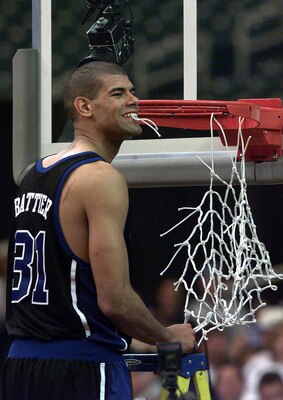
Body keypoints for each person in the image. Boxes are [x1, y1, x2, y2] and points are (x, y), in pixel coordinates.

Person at [2, 61, 196, 400]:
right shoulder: (99, 177)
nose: (133, 100)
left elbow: (65, 293)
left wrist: (133, 339)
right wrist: (166, 336)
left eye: (133, 91)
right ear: (84, 106)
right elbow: (115, 300)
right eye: (118, 93)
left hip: (21, 364)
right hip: (81, 369)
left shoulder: (34, 173)